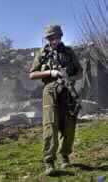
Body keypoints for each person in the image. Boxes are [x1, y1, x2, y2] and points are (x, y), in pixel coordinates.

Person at [29, 25, 83, 175]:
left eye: (56, 37)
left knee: (69, 126)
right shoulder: (42, 53)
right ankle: (49, 162)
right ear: (47, 39)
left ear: (60, 36)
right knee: (50, 126)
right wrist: (50, 72)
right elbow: (32, 74)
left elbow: (80, 72)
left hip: (67, 92)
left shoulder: (69, 52)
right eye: (51, 38)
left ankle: (64, 156)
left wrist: (70, 79)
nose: (54, 40)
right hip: (50, 91)